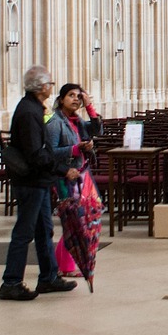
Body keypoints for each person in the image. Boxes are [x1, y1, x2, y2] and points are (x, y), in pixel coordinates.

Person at [0, 66, 80, 300]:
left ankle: (48, 277)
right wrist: (64, 170)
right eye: (50, 84)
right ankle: (11, 282)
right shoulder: (29, 112)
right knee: (24, 232)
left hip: (39, 182)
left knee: (45, 231)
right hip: (30, 182)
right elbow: (36, 154)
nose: (51, 88)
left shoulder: (33, 108)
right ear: (42, 87)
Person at [44, 84, 103, 277]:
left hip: (81, 174)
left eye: (79, 96)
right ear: (61, 99)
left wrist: (90, 107)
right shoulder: (55, 123)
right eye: (71, 95)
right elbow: (50, 152)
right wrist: (76, 149)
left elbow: (97, 129)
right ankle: (65, 266)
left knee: (80, 219)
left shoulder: (77, 121)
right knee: (73, 220)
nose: (75, 99)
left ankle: (63, 264)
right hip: (65, 176)